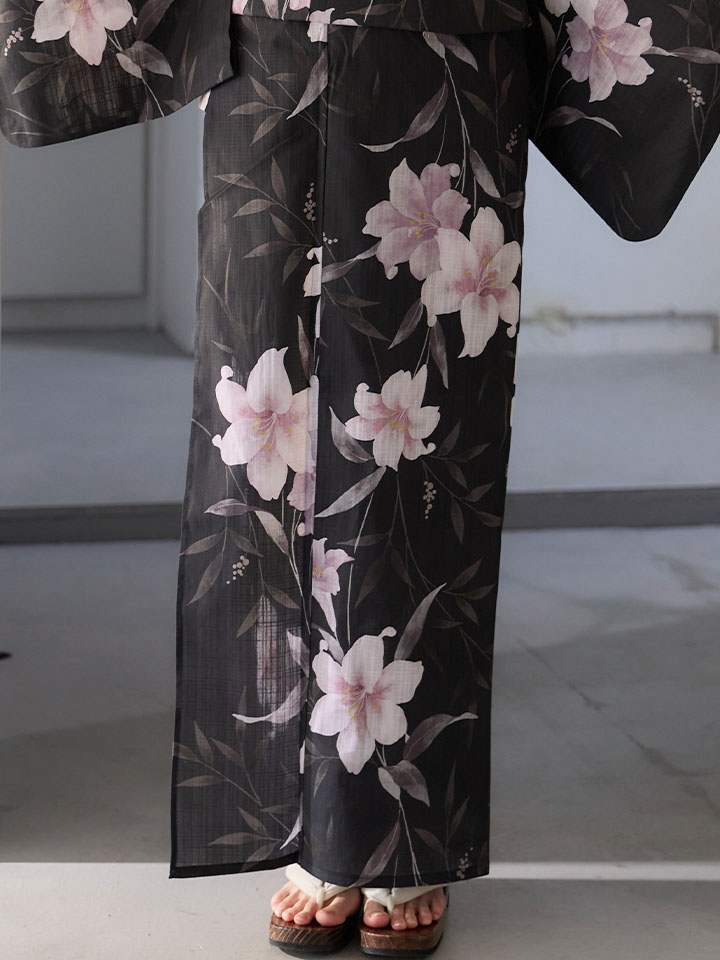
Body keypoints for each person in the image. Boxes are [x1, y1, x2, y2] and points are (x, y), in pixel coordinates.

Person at [1, 2, 718, 956]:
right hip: (273, 51)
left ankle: (399, 834)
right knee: (264, 428)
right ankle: (311, 824)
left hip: (450, 46)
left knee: (419, 441)